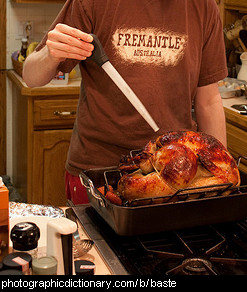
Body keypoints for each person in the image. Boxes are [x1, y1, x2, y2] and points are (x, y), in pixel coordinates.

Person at [23, 0, 228, 205]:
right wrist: (50, 55)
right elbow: (31, 76)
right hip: (97, 173)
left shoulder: (204, 6)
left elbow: (208, 101)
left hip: (177, 174)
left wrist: (223, 174)